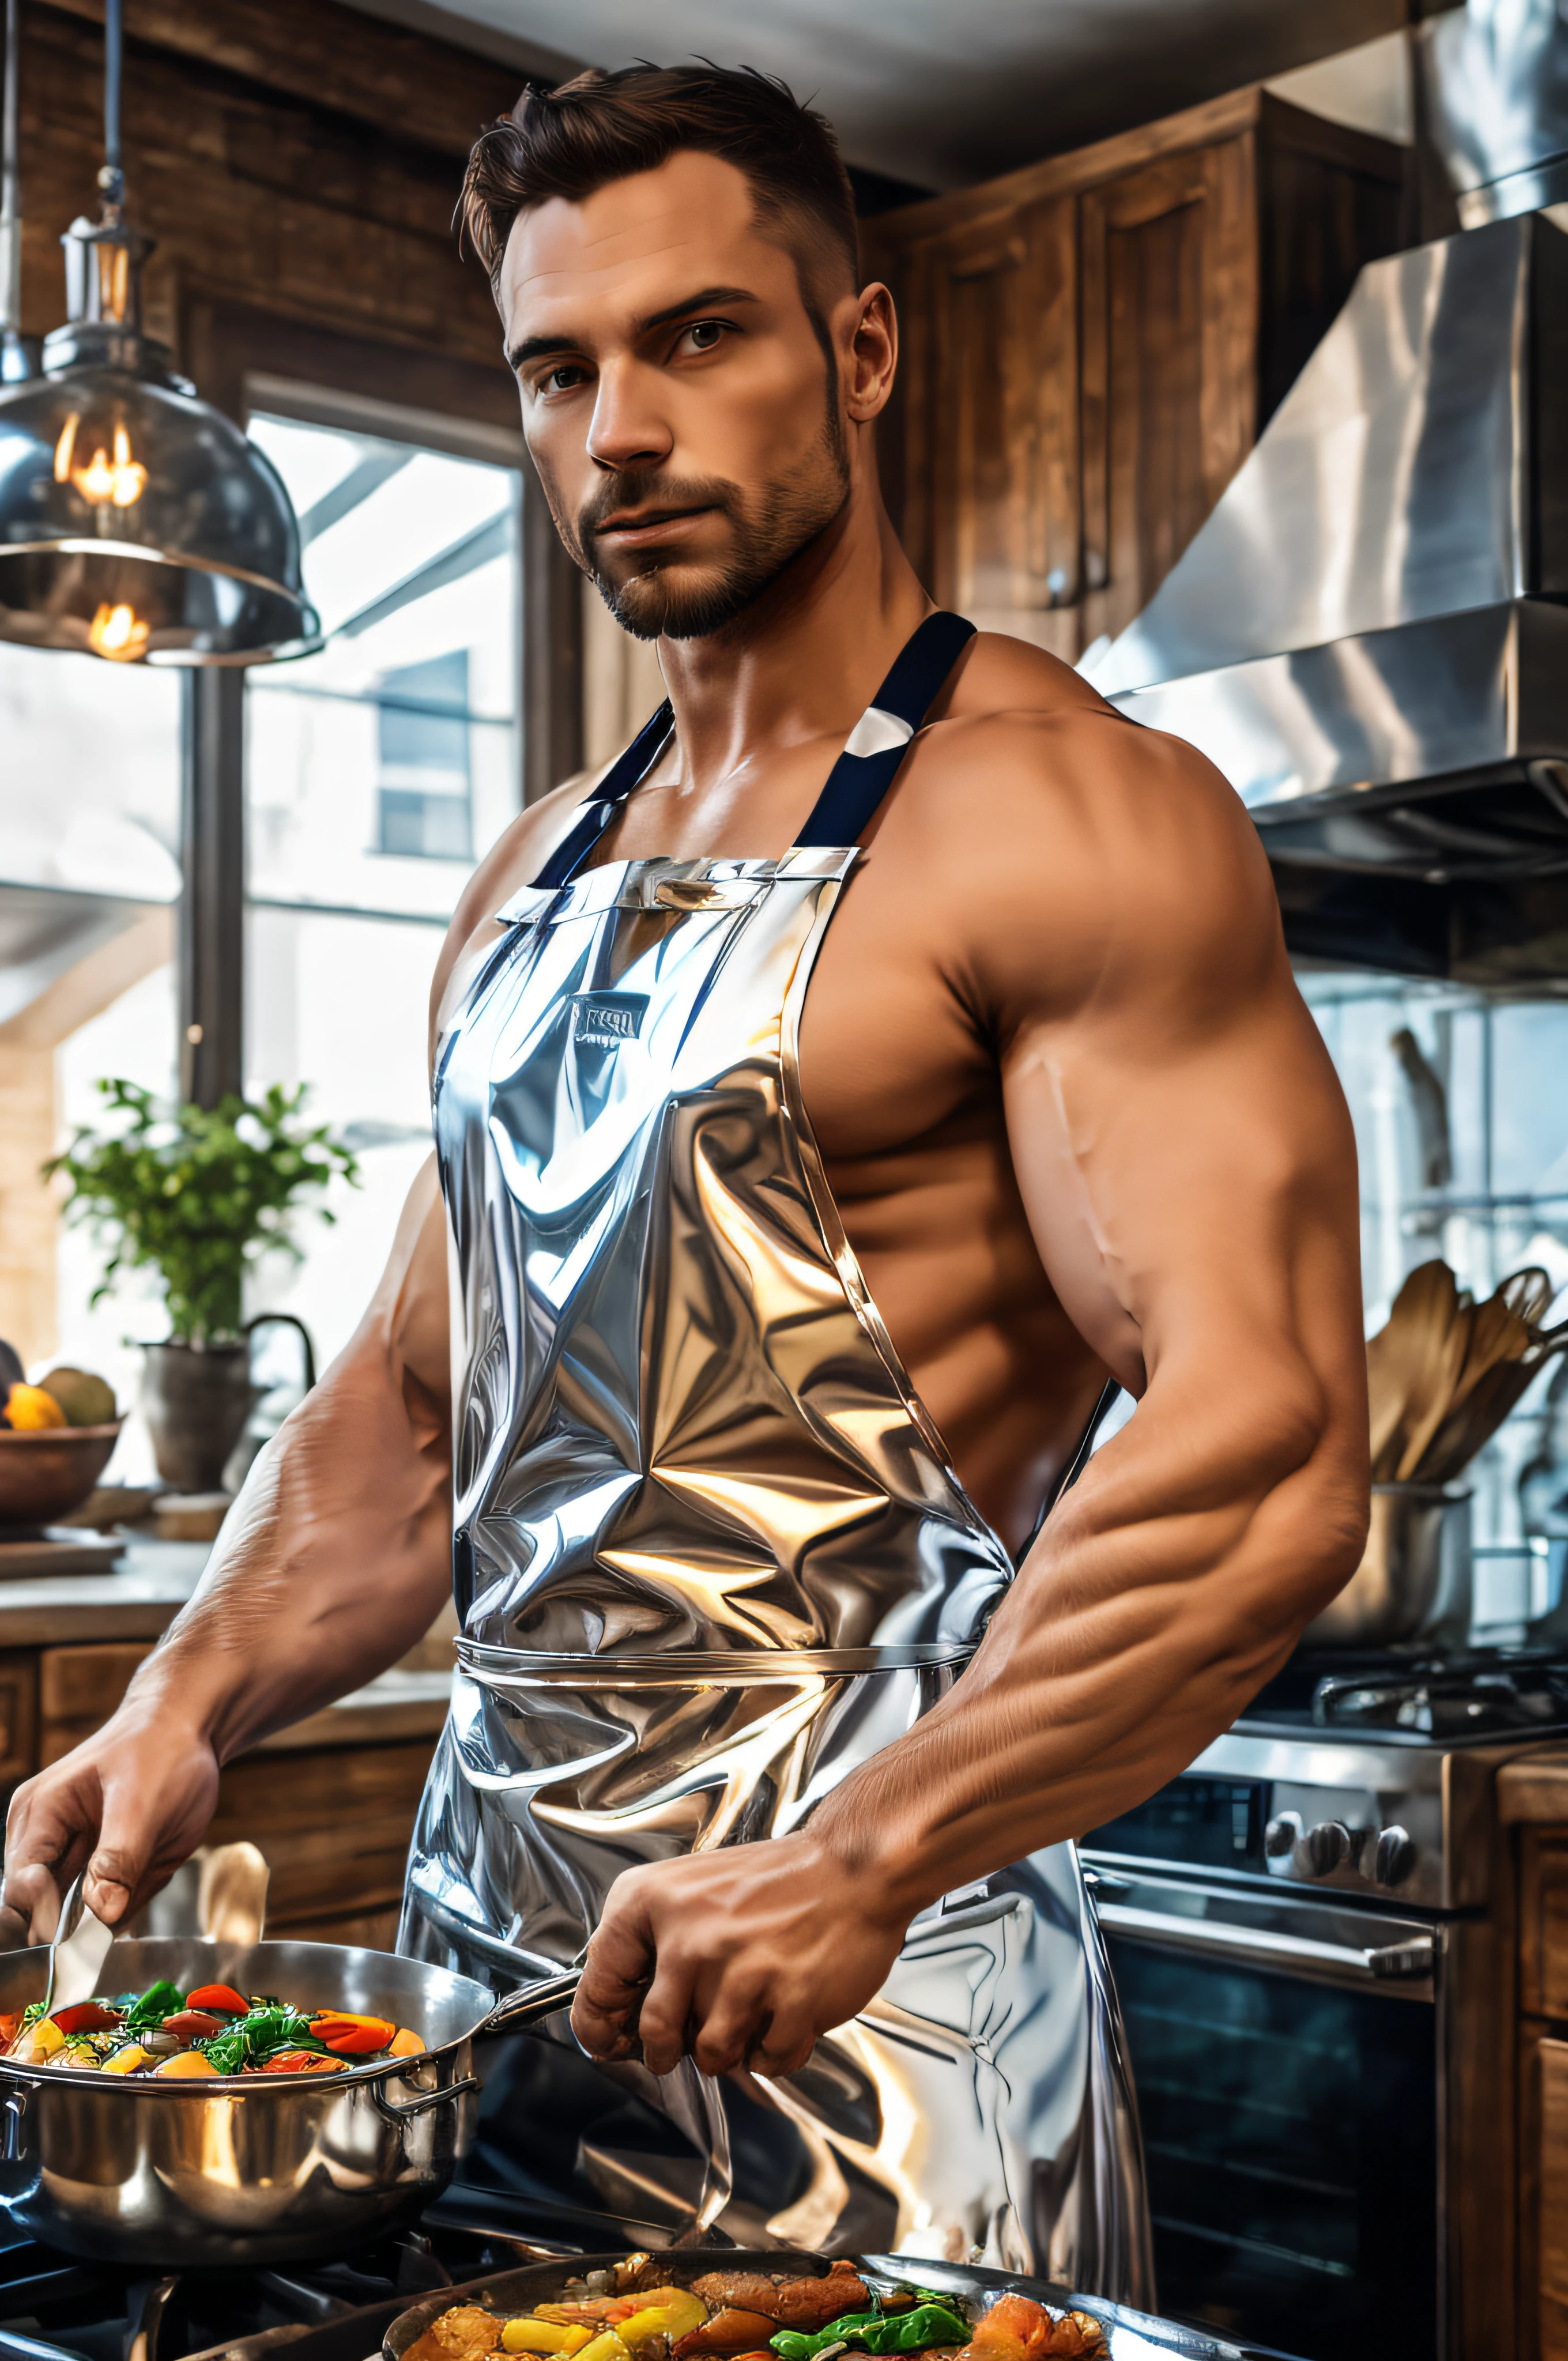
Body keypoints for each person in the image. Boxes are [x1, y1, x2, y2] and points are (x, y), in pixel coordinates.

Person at [2, 65, 1369, 2280]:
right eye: (559, 368)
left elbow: (1267, 1439)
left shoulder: (1067, 817)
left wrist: (863, 1854)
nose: (615, 426)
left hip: (872, 2023)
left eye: (696, 337)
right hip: (486, 2017)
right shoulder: (533, 875)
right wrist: (179, 1698)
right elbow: (410, 1419)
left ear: (860, 349)